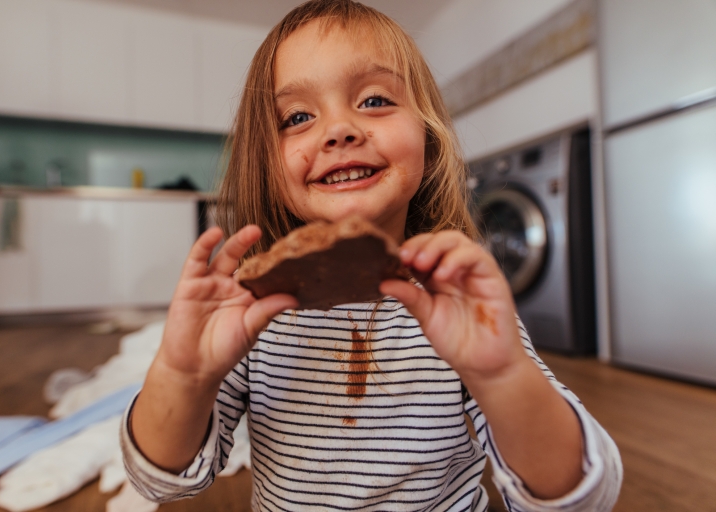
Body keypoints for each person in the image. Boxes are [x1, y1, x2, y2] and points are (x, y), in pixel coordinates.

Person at [121, 1, 622, 510]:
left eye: (375, 101)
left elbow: (583, 497)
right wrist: (182, 375)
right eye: (298, 117)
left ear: (427, 135)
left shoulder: (458, 308)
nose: (339, 130)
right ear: (266, 163)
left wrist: (502, 376)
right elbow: (163, 482)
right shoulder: (252, 312)